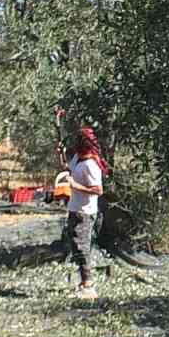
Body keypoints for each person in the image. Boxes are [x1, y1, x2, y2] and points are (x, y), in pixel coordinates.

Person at [64, 126, 108, 301]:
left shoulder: (91, 164)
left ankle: (88, 285)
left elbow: (98, 190)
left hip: (85, 211)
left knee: (82, 246)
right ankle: (83, 282)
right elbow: (68, 168)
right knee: (76, 244)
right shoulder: (77, 158)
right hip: (74, 209)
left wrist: (76, 186)